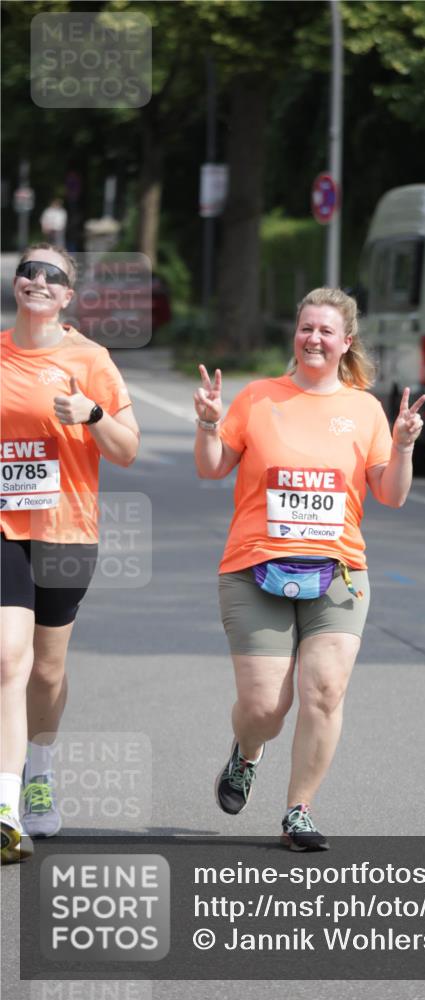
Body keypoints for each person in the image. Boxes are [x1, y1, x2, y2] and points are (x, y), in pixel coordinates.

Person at [194, 287, 425, 851]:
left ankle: (299, 810)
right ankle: (248, 751)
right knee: (264, 708)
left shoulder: (364, 409)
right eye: (306, 328)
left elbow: (392, 495)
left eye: (326, 331)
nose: (314, 339)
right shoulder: (258, 398)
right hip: (255, 567)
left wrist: (402, 447)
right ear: (294, 335)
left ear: (346, 342)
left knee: (323, 691)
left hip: (338, 572)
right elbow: (212, 468)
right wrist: (207, 425)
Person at [0, 244, 140, 864]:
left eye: (50, 275)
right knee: (9, 659)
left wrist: (92, 413)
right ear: (17, 284)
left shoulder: (90, 359)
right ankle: (6, 807)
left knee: (47, 671)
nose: (37, 279)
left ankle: (41, 770)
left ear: (66, 296)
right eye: (27, 270)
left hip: (66, 530)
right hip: (5, 526)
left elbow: (127, 448)